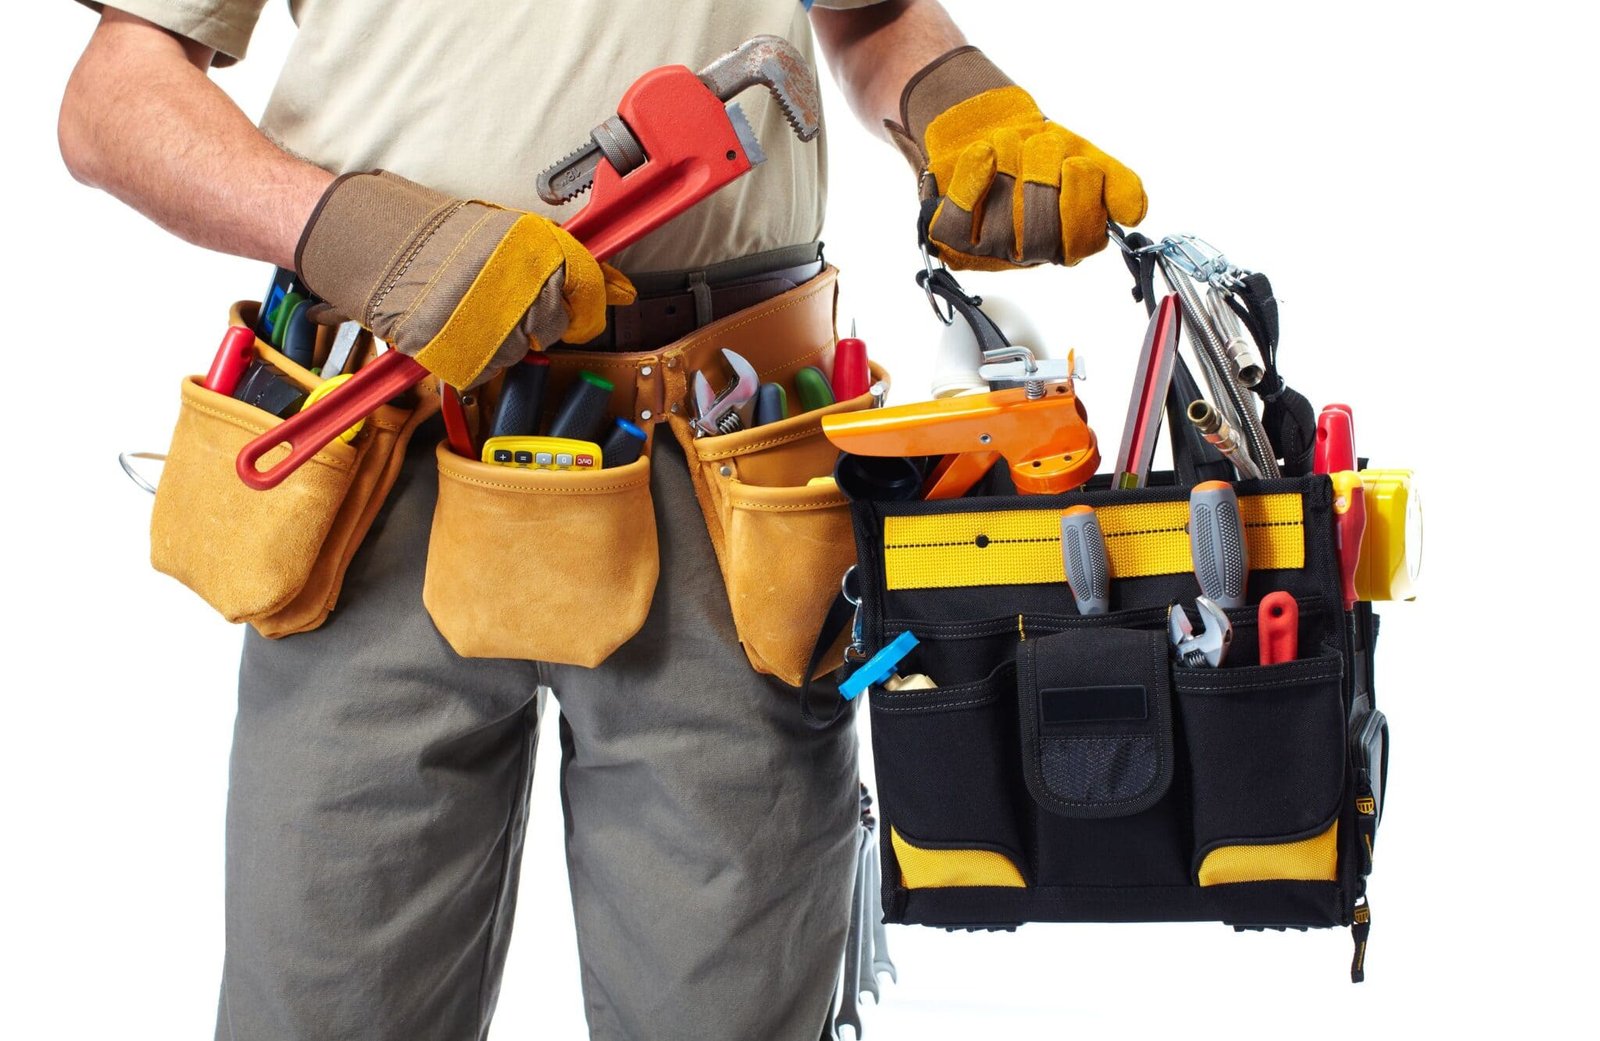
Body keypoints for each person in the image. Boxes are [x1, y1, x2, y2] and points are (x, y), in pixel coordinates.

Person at [57, 2, 1146, 1038]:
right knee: (324, 1001)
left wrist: (965, 105)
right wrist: (366, 235)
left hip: (724, 453)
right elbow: (116, 101)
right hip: (378, 445)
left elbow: (868, 17)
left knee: (729, 1008)